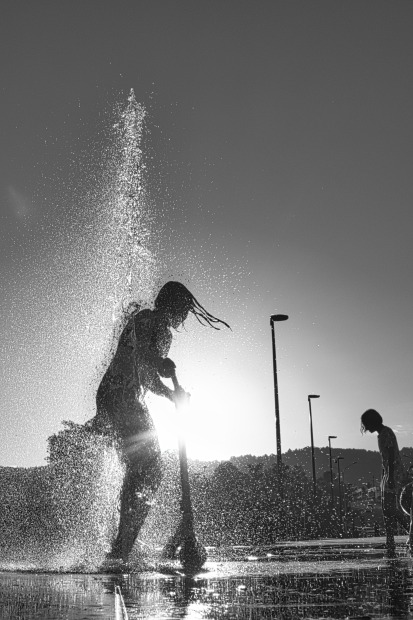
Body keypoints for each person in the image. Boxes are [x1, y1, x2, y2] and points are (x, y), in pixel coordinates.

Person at [89, 281, 230, 562]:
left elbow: (150, 379)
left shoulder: (165, 335)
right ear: (171, 304)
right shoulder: (145, 319)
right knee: (148, 465)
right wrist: (159, 362)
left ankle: (123, 542)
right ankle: (121, 546)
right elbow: (142, 353)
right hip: (117, 393)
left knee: (147, 469)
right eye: (184, 309)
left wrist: (171, 394)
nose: (185, 316)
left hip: (129, 397)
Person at [361, 409, 410, 556]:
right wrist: (384, 475)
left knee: (390, 509)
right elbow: (385, 459)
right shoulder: (382, 434)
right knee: (386, 509)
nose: (366, 428)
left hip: (394, 474)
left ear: (372, 422)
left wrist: (390, 477)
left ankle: (408, 533)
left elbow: (391, 456)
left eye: (366, 424)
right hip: (389, 474)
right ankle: (390, 541)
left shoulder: (386, 433)